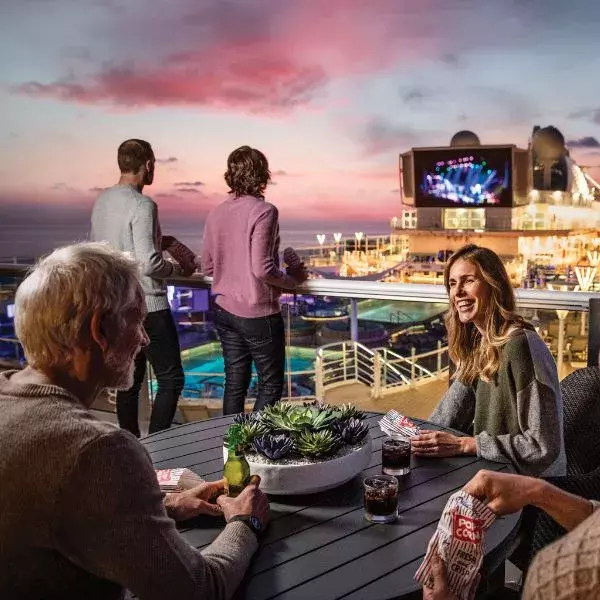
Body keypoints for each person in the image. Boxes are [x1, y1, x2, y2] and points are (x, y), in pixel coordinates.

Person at [0, 242, 270, 600]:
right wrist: (245, 522)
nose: (144, 338)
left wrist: (164, 506)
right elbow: (198, 590)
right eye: (137, 319)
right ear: (100, 329)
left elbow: (56, 513)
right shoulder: (98, 451)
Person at [412, 244, 565, 477]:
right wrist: (414, 440)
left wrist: (465, 444)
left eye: (468, 281)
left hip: (533, 490)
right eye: (453, 284)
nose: (458, 292)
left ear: (494, 286)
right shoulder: (478, 345)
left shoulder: (521, 346)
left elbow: (543, 447)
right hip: (492, 474)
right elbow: (447, 415)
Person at [91, 138, 196, 436]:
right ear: (148, 165)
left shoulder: (102, 202)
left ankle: (131, 442)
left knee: (130, 380)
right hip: (147, 305)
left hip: (115, 305)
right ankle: (158, 445)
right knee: (171, 378)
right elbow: (149, 264)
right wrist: (176, 269)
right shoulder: (143, 204)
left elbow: (105, 250)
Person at [201, 146, 307, 415]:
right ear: (261, 174)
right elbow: (262, 269)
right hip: (257, 313)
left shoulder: (216, 213)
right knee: (270, 386)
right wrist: (292, 280)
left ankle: (231, 447)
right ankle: (253, 446)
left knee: (235, 383)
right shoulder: (264, 211)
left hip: (224, 309)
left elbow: (209, 266)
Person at [424, 469, 600, 600]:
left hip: (546, 483)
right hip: (534, 490)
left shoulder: (555, 579)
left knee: (512, 563)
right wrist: (536, 490)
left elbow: (545, 451)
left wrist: (470, 443)